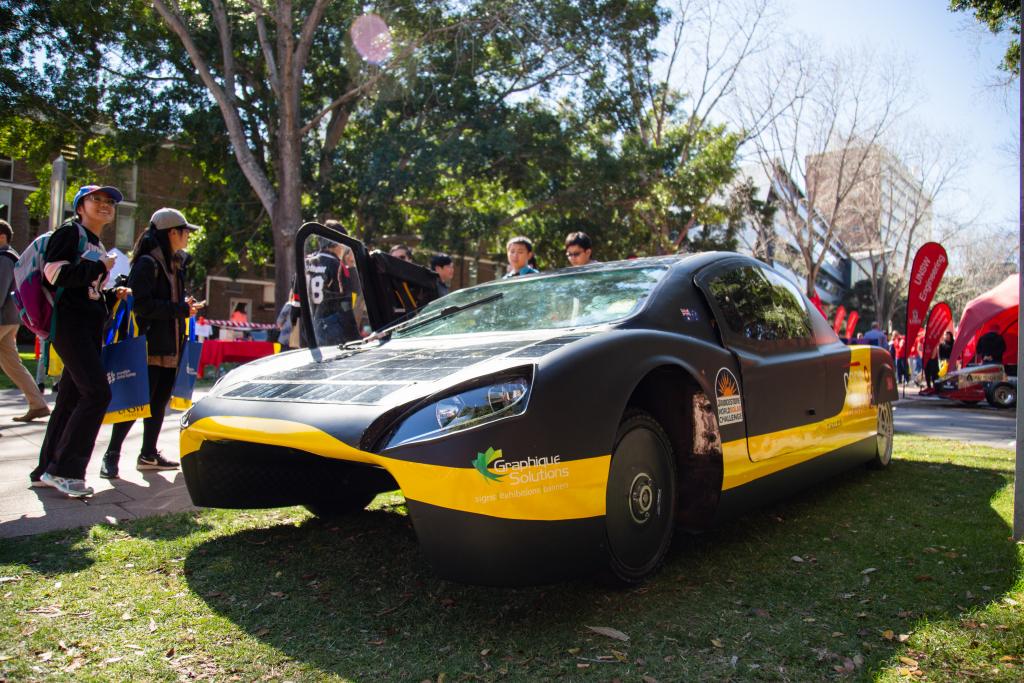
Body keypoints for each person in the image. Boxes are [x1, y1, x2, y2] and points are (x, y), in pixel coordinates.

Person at [31, 184, 129, 497]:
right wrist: (99, 267)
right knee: (98, 394)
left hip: (86, 327)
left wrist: (111, 294)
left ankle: (45, 469)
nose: (104, 205)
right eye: (96, 199)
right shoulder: (70, 233)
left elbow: (85, 289)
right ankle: (66, 471)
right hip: (71, 326)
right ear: (80, 206)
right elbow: (55, 274)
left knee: (71, 400)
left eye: (109, 201)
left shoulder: (95, 243)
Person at [100, 208, 203, 478]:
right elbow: (142, 306)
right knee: (136, 402)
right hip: (148, 346)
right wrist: (179, 310)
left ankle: (148, 453)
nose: (188, 236)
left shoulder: (176, 264)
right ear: (172, 233)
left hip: (171, 346)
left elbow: (169, 304)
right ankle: (111, 454)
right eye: (185, 231)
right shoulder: (147, 263)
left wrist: (183, 308)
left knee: (158, 403)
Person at [0, 219, 50, 422]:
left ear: (2, 237)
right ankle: (38, 405)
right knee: (13, 365)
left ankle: (38, 404)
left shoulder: (4, 258)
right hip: (10, 319)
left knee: (13, 364)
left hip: (2, 318)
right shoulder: (10, 257)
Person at [305, 237, 360, 344]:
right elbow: (351, 294)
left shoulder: (308, 262)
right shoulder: (338, 265)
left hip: (310, 323)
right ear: (337, 244)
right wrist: (352, 266)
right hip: (331, 325)